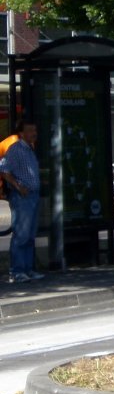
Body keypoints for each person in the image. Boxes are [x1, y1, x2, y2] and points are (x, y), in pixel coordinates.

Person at [0, 120, 43, 283]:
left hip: (33, 195)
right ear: (22, 133)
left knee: (30, 235)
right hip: (23, 197)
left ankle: (28, 269)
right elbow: (3, 169)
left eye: (35, 130)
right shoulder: (16, 149)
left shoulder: (30, 149)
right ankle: (17, 271)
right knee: (22, 234)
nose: (34, 133)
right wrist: (18, 187)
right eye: (30, 130)